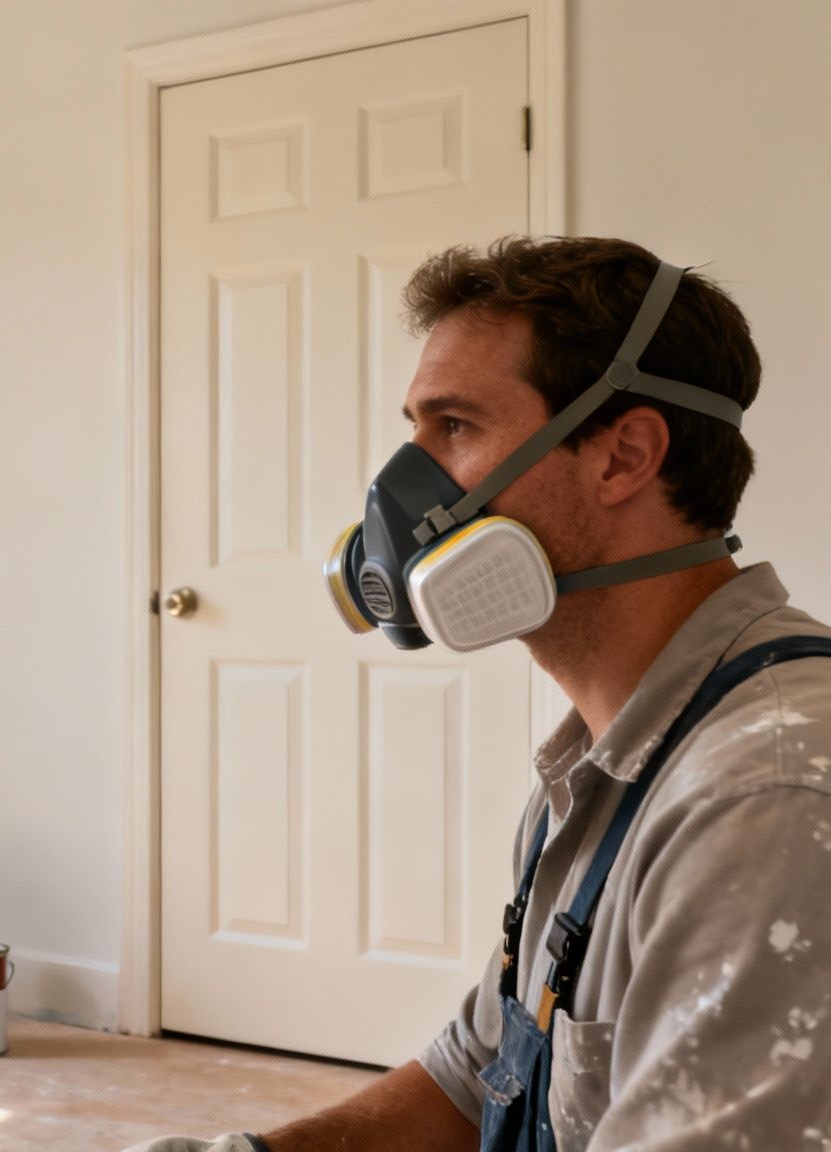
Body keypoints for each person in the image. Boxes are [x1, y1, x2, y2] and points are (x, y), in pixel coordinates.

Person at [144, 237, 831, 1152]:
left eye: (455, 426)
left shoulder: (762, 797)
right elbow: (485, 1072)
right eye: (416, 428)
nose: (400, 487)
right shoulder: (607, 756)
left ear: (623, 456)